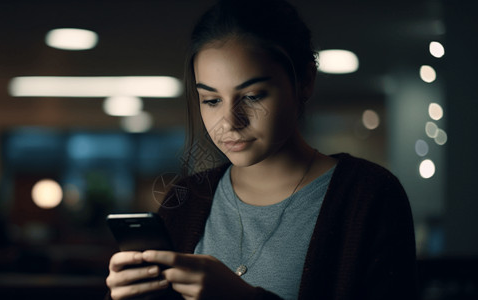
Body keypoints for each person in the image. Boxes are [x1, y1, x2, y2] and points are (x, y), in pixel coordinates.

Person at [106, 0, 418, 299]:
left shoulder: (368, 195)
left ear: (305, 80)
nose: (229, 121)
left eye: (253, 96)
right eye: (212, 100)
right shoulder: (185, 199)